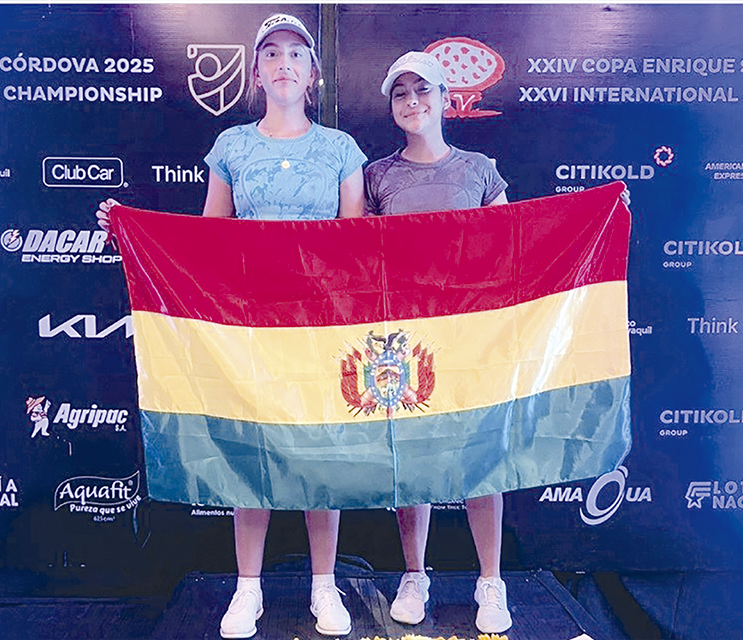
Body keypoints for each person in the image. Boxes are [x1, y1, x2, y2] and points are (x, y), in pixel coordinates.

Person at [97, 14, 365, 639]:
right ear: (256, 73)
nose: (284, 64)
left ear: (314, 74)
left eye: (297, 54)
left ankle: (324, 588)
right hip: (246, 326)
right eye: (271, 53)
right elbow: (205, 239)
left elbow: (355, 248)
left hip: (318, 327)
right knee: (253, 455)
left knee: (317, 454)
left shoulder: (341, 149)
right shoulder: (232, 146)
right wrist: (131, 229)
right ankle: (249, 590)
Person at [364, 51, 512, 635]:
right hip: (402, 338)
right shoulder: (377, 177)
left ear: (446, 97)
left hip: (470, 332)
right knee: (414, 460)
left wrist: (595, 215)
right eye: (400, 94)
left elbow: (513, 245)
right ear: (392, 107)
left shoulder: (479, 168)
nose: (412, 103)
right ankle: (415, 574)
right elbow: (354, 256)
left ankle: (490, 581)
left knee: (481, 459)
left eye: (421, 91)